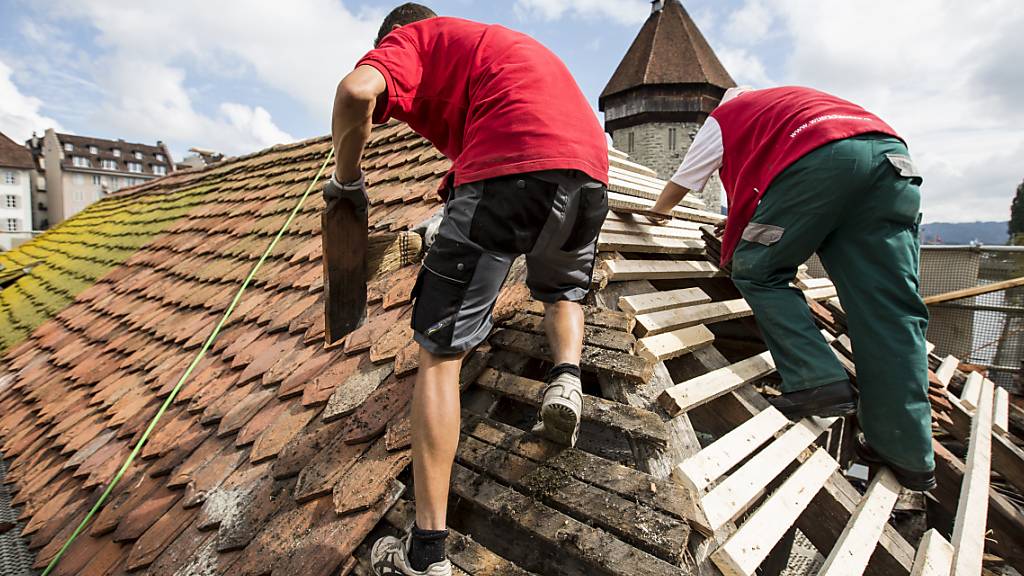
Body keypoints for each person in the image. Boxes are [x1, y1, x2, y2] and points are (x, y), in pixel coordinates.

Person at [326, 4, 609, 575]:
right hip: (591, 175)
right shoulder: (494, 49)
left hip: (513, 171)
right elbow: (482, 193)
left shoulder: (417, 38)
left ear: (395, 34)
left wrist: (347, 183)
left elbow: (357, 93)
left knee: (440, 357)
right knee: (562, 289)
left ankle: (425, 555)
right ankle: (565, 382)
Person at [647, 86, 935, 491]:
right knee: (889, 311)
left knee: (758, 269)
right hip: (892, 163)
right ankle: (909, 454)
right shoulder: (794, 106)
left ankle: (816, 380)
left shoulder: (730, 115)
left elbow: (686, 178)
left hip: (823, 161)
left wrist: (657, 212)